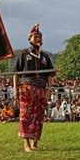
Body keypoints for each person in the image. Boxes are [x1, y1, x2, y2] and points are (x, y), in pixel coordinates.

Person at [13, 23, 55, 152]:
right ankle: (26, 144)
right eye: (35, 36)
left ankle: (35, 143)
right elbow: (16, 74)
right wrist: (15, 91)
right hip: (27, 87)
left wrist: (49, 89)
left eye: (40, 36)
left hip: (42, 88)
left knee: (39, 116)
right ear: (30, 38)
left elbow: (49, 76)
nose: (38, 38)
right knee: (26, 115)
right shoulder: (23, 54)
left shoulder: (45, 56)